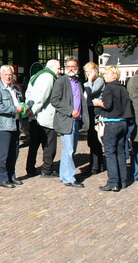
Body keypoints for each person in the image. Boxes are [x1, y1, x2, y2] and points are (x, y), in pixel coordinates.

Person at [93, 66, 133, 191]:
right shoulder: (123, 88)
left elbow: (107, 105)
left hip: (112, 122)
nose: (104, 76)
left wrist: (97, 103)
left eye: (106, 74)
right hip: (123, 122)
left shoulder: (109, 88)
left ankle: (113, 182)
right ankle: (123, 180)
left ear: (113, 75)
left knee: (110, 153)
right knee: (120, 152)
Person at [51, 56, 89, 188]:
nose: (71, 69)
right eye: (69, 67)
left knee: (69, 149)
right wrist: (70, 110)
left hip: (76, 120)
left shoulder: (78, 82)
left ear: (77, 67)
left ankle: (63, 175)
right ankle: (69, 177)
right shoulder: (61, 81)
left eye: (73, 66)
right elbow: (54, 100)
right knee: (69, 149)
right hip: (67, 120)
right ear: (65, 68)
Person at [0, 65, 25, 188]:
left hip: (16, 123)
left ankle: (11, 175)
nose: (9, 77)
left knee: (14, 152)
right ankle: (2, 178)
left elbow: (20, 103)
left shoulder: (15, 89)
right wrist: (14, 109)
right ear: (1, 75)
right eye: (6, 74)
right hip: (5, 125)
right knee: (3, 153)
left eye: (10, 74)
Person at [24, 59, 60, 178]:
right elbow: (43, 96)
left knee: (34, 144)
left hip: (34, 117)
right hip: (45, 116)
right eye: (58, 68)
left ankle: (30, 168)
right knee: (49, 145)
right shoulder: (49, 77)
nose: (59, 71)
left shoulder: (35, 76)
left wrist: (28, 107)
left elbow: (28, 93)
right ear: (51, 67)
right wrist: (34, 110)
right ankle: (46, 170)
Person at [83, 61, 105, 175]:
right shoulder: (89, 82)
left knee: (95, 138)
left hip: (95, 111)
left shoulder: (99, 81)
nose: (88, 74)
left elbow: (90, 91)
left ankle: (96, 165)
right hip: (89, 111)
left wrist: (89, 81)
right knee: (91, 138)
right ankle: (95, 163)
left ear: (95, 71)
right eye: (86, 72)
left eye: (90, 71)